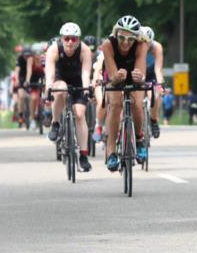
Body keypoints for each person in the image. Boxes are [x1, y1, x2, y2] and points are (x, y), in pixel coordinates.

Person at [101, 16, 148, 172]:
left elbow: (141, 74)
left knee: (137, 104)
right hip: (115, 74)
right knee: (115, 104)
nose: (126, 42)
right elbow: (112, 76)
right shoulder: (108, 45)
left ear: (137, 37)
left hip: (133, 75)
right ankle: (112, 150)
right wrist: (116, 78)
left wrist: (139, 77)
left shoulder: (142, 45)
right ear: (116, 34)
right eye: (122, 37)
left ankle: (139, 139)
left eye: (130, 38)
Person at [45, 22, 94, 172]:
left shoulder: (85, 50)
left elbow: (86, 73)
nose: (70, 42)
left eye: (74, 39)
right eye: (67, 39)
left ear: (78, 40)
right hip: (60, 79)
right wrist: (48, 88)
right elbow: (50, 74)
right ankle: (55, 123)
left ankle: (84, 155)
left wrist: (87, 90)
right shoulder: (54, 49)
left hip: (78, 80)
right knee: (61, 90)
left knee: (80, 115)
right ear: (62, 39)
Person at [140, 26, 166, 138]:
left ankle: (154, 120)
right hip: (139, 74)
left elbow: (158, 69)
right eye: (143, 42)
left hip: (152, 75)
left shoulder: (157, 47)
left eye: (148, 43)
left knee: (155, 96)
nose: (145, 46)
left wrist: (160, 86)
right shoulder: (136, 46)